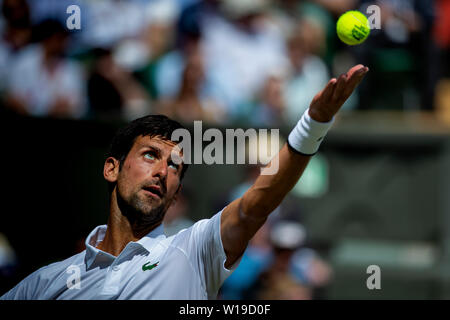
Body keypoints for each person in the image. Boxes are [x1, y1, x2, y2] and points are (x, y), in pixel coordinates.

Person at [0, 64, 369, 300]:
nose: (163, 171)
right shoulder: (44, 284)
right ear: (111, 168)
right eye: (150, 156)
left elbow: (260, 200)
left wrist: (312, 125)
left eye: (175, 166)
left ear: (177, 193)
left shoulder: (194, 252)